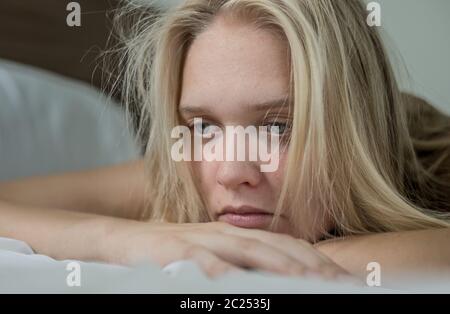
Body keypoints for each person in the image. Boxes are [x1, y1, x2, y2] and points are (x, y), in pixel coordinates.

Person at [1, 0, 449, 284]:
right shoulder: (184, 175)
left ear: (357, 132)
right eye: (204, 127)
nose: (231, 172)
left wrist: (271, 259)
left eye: (277, 127)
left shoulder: (435, 157)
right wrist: (124, 239)